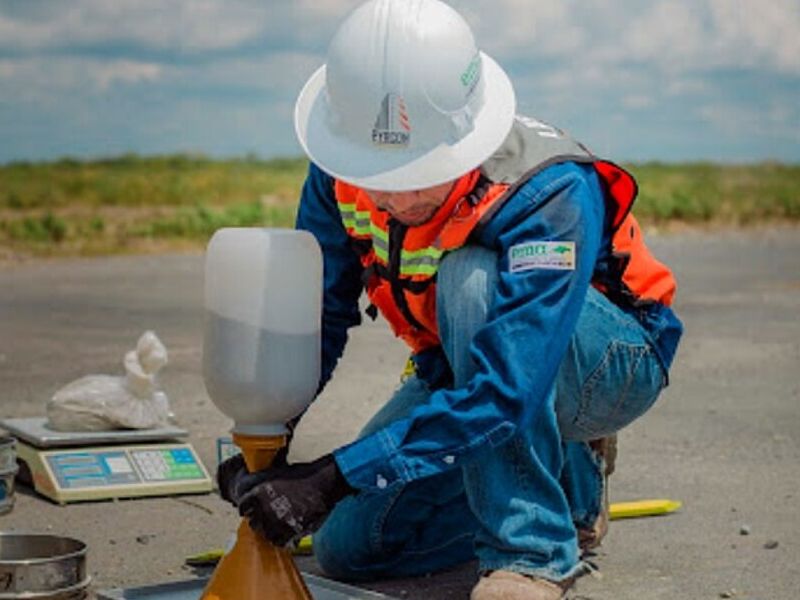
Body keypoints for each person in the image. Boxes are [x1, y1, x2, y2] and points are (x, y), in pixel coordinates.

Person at [217, 0, 683, 598]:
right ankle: (565, 493)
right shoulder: (336, 174)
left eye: (419, 169)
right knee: (348, 547)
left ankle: (532, 552)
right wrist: (269, 447)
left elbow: (509, 386)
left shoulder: (548, 189)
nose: (396, 198)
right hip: (463, 361)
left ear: (467, 139)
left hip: (603, 364)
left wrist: (334, 475)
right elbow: (321, 318)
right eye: (375, 172)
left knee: (469, 280)